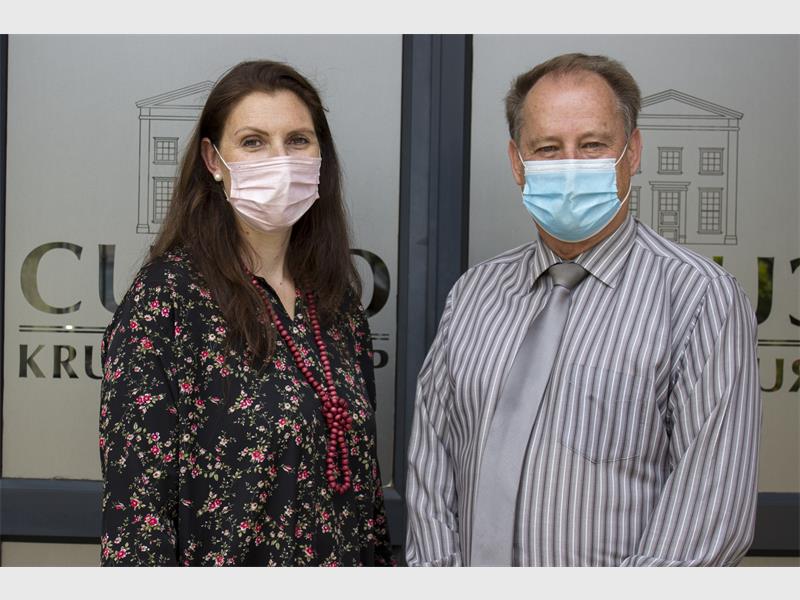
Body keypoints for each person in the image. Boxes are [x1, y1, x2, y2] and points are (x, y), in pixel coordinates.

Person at [405, 53, 761, 566]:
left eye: (593, 145)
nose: (570, 164)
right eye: (547, 148)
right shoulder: (473, 294)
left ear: (633, 152)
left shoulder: (701, 299)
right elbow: (432, 465)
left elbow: (708, 516)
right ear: (517, 162)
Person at [99, 60, 394, 566]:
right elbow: (136, 521)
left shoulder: (336, 303)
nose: (279, 160)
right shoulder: (167, 298)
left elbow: (365, 499)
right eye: (253, 142)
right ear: (213, 160)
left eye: (297, 140)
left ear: (320, 157)